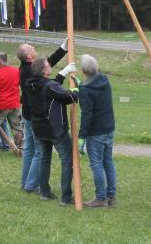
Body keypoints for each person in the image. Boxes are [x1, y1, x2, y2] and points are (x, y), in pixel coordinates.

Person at [18, 40, 68, 193]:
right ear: (29, 57)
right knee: (39, 152)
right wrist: (62, 74)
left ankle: (26, 182)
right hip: (34, 115)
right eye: (31, 48)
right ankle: (31, 184)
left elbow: (47, 63)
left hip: (28, 114)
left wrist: (62, 49)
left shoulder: (27, 68)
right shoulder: (29, 71)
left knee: (29, 150)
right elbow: (47, 81)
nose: (34, 48)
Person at [26, 57, 78, 204]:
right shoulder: (49, 86)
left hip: (39, 128)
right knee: (67, 160)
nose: (50, 66)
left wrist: (63, 73)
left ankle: (44, 193)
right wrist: (77, 89)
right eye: (48, 65)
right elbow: (69, 97)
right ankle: (66, 198)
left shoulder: (30, 83)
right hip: (55, 129)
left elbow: (53, 88)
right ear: (44, 71)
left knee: (44, 159)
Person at [78, 54, 117, 208]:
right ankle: (111, 196)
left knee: (96, 164)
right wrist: (81, 86)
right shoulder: (104, 79)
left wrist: (81, 137)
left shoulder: (85, 90)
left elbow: (86, 115)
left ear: (83, 71)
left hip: (96, 132)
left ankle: (101, 198)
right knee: (108, 162)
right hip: (109, 128)